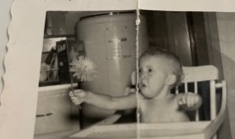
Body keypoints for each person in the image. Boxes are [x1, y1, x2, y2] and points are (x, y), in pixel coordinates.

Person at [69, 47, 202, 123]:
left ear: (169, 79)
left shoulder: (177, 100)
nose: (142, 75)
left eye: (150, 70)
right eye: (140, 70)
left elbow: (194, 103)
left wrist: (193, 99)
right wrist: (88, 96)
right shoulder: (140, 100)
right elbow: (112, 102)